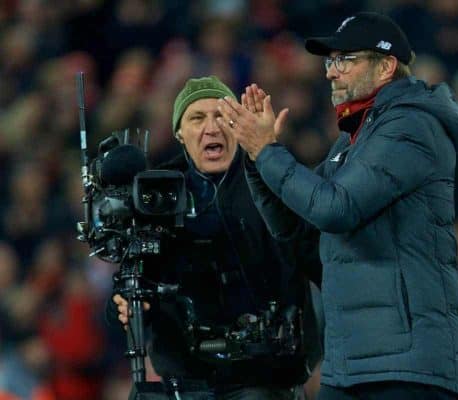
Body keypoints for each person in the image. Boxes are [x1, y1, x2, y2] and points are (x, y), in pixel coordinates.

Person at [216, 12, 458, 400]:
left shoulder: (411, 127)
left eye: (344, 60)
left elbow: (335, 209)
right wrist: (257, 160)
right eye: (329, 61)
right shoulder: (354, 143)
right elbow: (301, 232)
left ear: (386, 65)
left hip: (407, 371)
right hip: (350, 366)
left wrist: (267, 150)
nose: (331, 73)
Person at [107, 76, 322, 399]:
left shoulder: (272, 181)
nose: (212, 127)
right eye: (197, 118)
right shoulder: (157, 196)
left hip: (263, 381)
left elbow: (312, 257)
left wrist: (271, 159)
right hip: (183, 382)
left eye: (221, 115)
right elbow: (132, 286)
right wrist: (127, 307)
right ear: (180, 133)